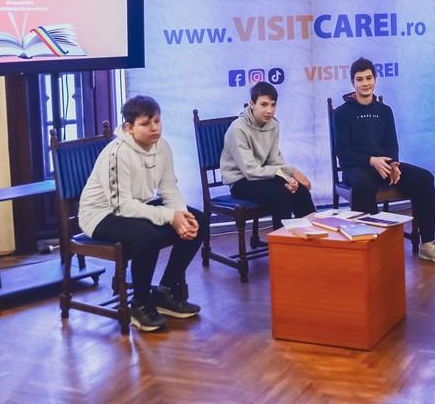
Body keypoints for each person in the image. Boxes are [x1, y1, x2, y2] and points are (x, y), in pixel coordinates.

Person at [78, 95, 208, 332]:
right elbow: (122, 207)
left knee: (197, 220)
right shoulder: (117, 153)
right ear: (129, 127)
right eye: (146, 124)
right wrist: (169, 217)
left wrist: (181, 216)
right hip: (101, 215)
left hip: (138, 205)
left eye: (157, 121)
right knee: (147, 236)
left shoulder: (162, 146)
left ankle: (165, 291)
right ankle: (139, 303)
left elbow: (169, 188)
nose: (155, 128)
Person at [334, 57, 435, 265]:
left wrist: (394, 165)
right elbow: (342, 152)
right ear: (353, 82)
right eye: (360, 79)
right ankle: (371, 246)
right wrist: (371, 160)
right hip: (356, 168)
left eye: (369, 78)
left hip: (385, 166)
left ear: (375, 79)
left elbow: (391, 144)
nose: (365, 83)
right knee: (364, 185)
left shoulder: (384, 110)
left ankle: (427, 243)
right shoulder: (341, 113)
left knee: (424, 178)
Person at [220, 81, 315, 230]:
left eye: (273, 105)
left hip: (263, 176)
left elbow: (275, 160)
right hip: (241, 181)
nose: (269, 110)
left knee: (300, 190)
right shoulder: (237, 129)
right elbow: (250, 171)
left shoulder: (273, 124)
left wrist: (289, 179)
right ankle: (282, 242)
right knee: (281, 195)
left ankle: (311, 238)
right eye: (264, 105)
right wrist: (290, 171)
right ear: (252, 104)